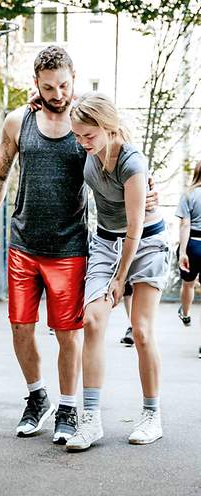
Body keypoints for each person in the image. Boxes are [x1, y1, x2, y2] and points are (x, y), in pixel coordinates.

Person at [0, 46, 157, 445]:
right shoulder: (17, 121)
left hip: (70, 246)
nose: (57, 93)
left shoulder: (87, 127)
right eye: (48, 87)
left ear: (74, 78)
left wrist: (149, 189)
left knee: (68, 332)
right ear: (35, 85)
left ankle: (67, 408)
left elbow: (123, 152)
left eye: (63, 85)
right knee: (21, 326)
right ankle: (37, 397)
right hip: (23, 242)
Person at [65, 92, 170, 451]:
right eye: (77, 136)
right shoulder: (91, 153)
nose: (82, 143)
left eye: (88, 136)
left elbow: (136, 228)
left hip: (145, 244)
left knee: (140, 330)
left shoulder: (132, 163)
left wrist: (120, 278)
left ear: (108, 128)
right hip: (106, 242)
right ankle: (90, 419)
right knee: (92, 321)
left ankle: (152, 415)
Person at [175, 161, 201, 356]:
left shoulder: (189, 194)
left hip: (193, 243)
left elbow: (185, 225)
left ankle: (186, 314)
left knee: (188, 284)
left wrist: (183, 252)